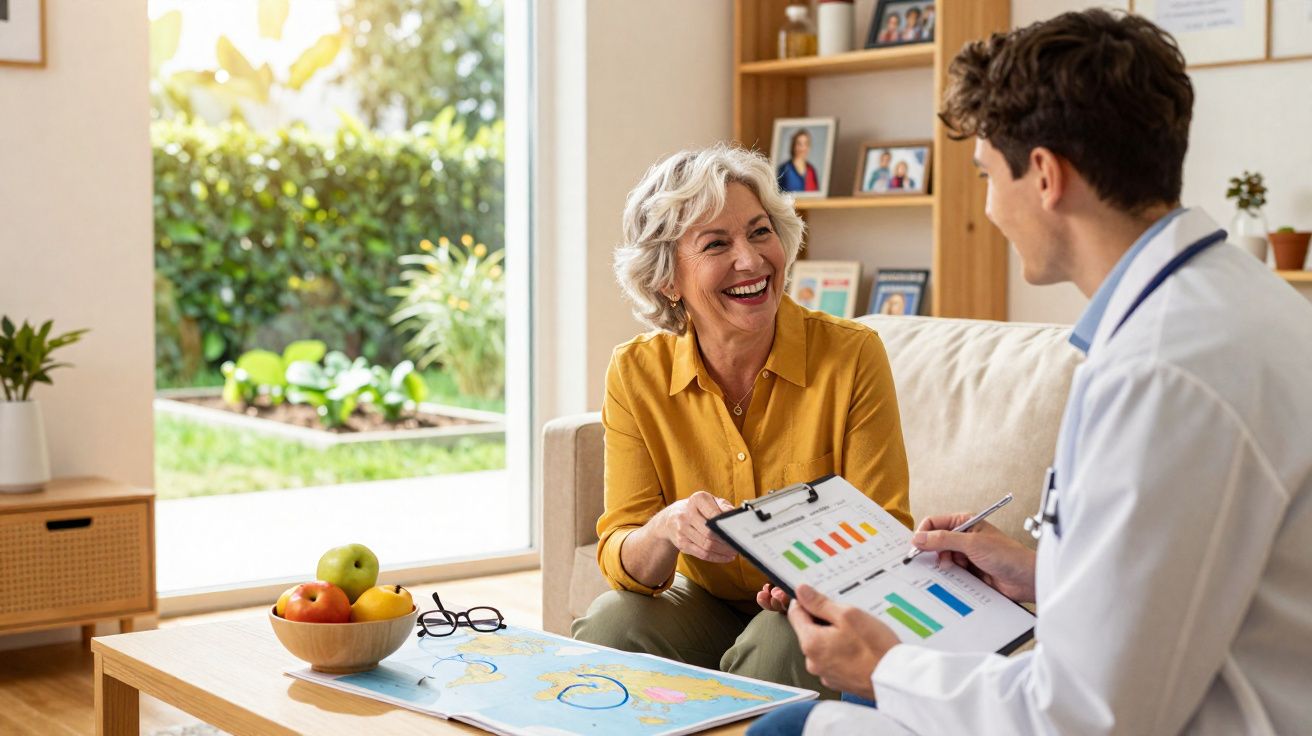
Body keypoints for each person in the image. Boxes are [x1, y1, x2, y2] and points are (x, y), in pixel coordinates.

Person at [750, 9, 1312, 735]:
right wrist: (1043, 573)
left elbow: (1087, 717)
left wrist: (884, 667)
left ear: (1044, 174)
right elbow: (1186, 582)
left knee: (786, 728)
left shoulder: (1161, 374)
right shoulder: (1238, 301)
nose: (987, 206)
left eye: (987, 174)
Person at [573, 145, 914, 698]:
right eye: (716, 244)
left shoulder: (852, 355)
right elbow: (622, 552)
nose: (753, 261)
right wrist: (666, 526)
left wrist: (803, 581)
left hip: (814, 601)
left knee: (780, 643)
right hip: (704, 601)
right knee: (612, 622)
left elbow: (885, 529)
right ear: (667, 280)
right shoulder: (636, 371)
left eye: (760, 232)